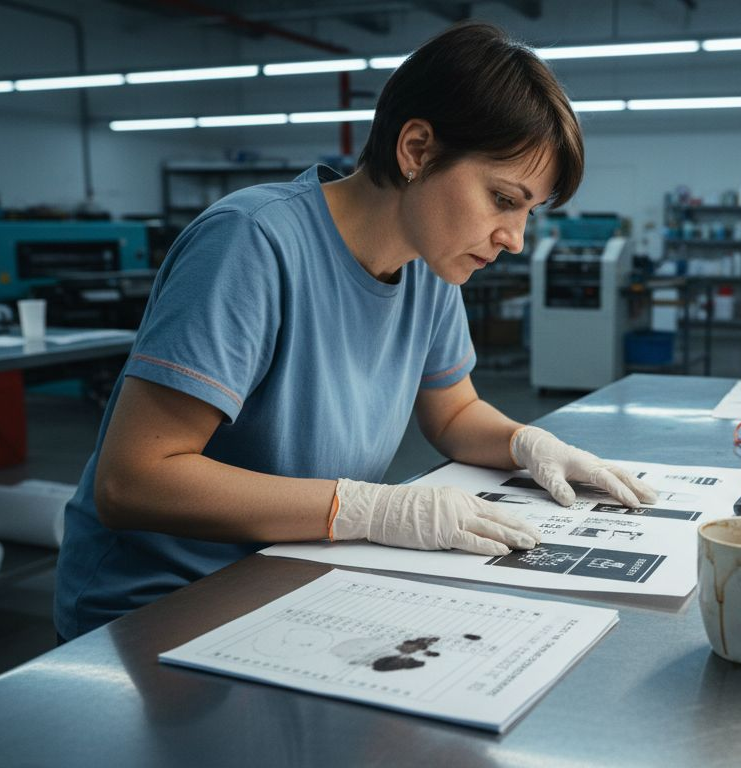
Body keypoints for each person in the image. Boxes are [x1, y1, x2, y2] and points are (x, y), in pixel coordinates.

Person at [54, 21, 656, 642]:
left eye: (529, 212)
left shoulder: (428, 268)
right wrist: (369, 508)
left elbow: (452, 415)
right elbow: (134, 480)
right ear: (417, 150)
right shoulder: (253, 243)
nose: (515, 239)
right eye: (503, 199)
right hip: (164, 603)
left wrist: (531, 444)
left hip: (294, 570)